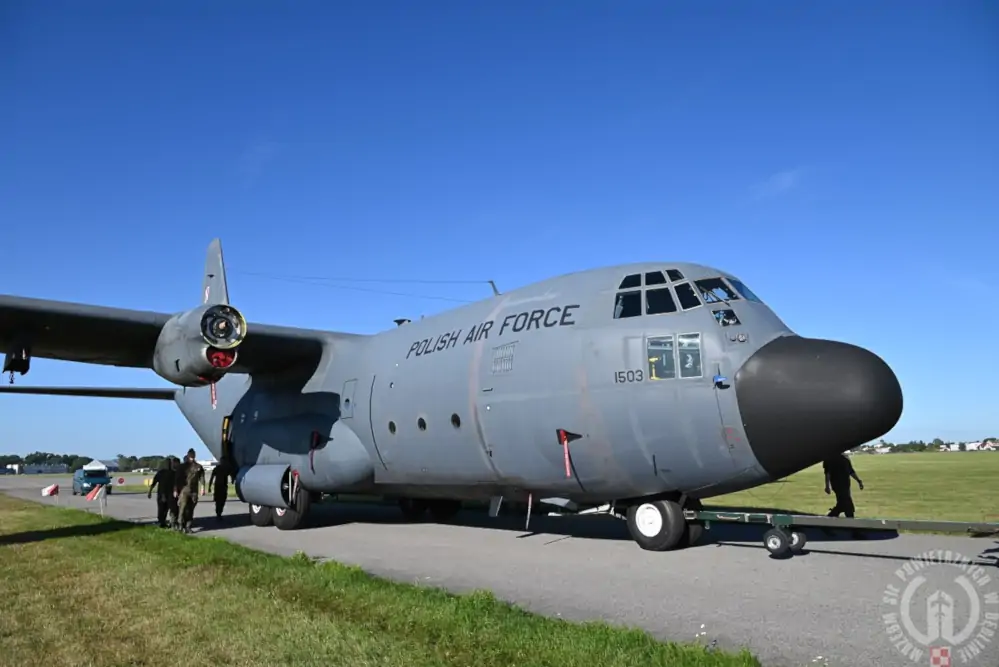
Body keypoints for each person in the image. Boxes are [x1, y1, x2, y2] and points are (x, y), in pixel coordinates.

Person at [174, 449, 205, 533]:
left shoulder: (198, 467)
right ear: (188, 455)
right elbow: (177, 479)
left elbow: (202, 478)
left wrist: (203, 488)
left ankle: (188, 526)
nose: (191, 457)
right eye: (190, 455)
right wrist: (175, 489)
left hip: (194, 491)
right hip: (184, 490)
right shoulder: (182, 467)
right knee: (182, 508)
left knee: (191, 509)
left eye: (193, 455)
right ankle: (180, 525)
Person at [823, 452, 864, 518]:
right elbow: (828, 473)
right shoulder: (833, 459)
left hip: (845, 484)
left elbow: (851, 471)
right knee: (846, 501)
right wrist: (827, 486)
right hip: (838, 484)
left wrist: (858, 481)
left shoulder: (842, 459)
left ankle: (831, 516)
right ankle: (850, 518)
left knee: (842, 502)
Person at [147, 458, 176, 528]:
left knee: (162, 509)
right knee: (166, 509)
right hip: (167, 494)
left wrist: (150, 491)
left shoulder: (161, 473)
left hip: (163, 494)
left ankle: (162, 522)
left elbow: (154, 483)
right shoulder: (172, 473)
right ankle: (164, 522)